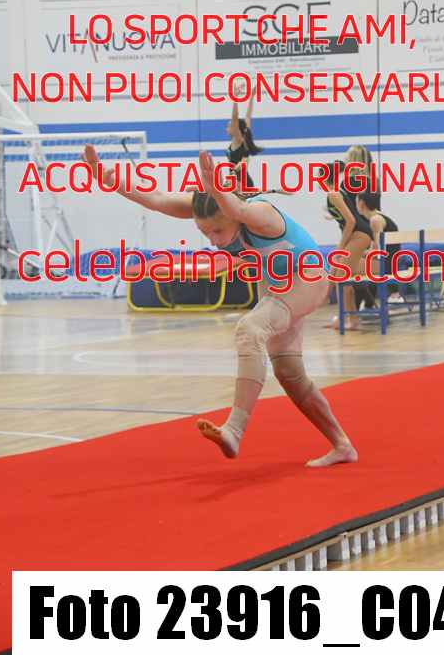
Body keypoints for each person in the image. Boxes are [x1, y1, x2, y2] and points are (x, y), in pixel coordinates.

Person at [83, 144, 357, 468]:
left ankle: (234, 429)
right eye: (204, 232)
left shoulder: (260, 213)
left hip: (308, 277)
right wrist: (109, 180)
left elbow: (237, 209)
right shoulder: (215, 209)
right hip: (276, 283)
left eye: (217, 230)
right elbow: (156, 199)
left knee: (250, 329)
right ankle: (342, 445)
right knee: (289, 374)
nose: (213, 240)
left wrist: (217, 186)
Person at [321, 150, 373, 330]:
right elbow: (350, 216)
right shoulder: (338, 192)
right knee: (339, 276)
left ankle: (350, 319)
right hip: (358, 233)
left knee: (342, 277)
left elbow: (351, 221)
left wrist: (341, 246)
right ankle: (348, 318)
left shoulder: (335, 193)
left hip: (359, 234)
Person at [226, 85, 262, 190]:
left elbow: (235, 116)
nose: (227, 128)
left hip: (241, 183)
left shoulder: (238, 140)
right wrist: (251, 97)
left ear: (235, 128)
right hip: (238, 181)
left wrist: (235, 97)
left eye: (229, 126)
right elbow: (248, 117)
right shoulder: (244, 135)